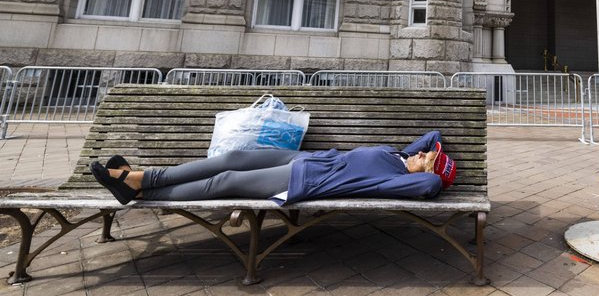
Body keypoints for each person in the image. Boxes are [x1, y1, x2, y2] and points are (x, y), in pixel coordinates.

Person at [90, 130, 456, 206]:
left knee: (226, 181)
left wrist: (433, 173)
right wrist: (430, 152)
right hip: (308, 159)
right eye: (425, 155)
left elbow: (427, 188)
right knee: (235, 158)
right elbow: (431, 135)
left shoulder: (398, 180)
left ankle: (140, 185)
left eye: (426, 160)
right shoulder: (398, 159)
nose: (421, 155)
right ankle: (139, 181)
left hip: (305, 179)